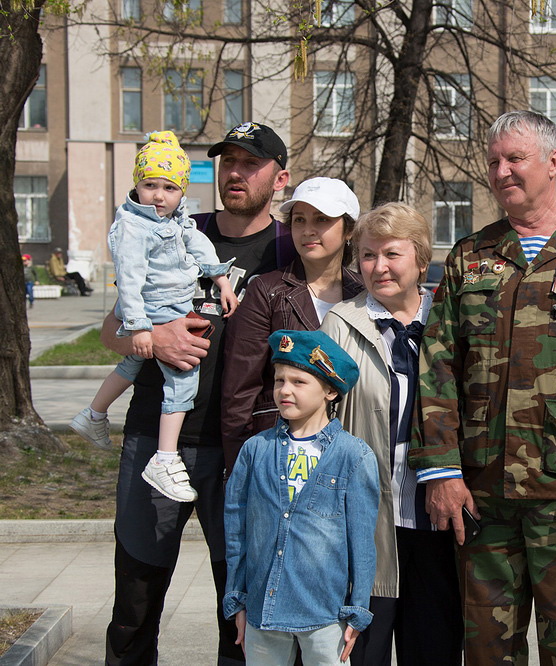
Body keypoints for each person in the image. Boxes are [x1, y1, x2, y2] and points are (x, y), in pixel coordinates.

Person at [408, 110, 556, 666]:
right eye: (493, 162)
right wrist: (441, 469)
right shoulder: (470, 255)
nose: (502, 172)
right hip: (482, 496)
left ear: (553, 162)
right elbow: (437, 366)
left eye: (516, 159)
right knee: (488, 653)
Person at [98, 121, 292, 665]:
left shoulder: (288, 247)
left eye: (250, 163)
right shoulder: (175, 227)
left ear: (280, 178)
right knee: (135, 597)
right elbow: (109, 332)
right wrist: (153, 339)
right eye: (227, 161)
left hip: (245, 449)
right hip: (158, 442)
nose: (235, 172)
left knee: (240, 607)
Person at [322, 203, 463, 666]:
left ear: (422, 259)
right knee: (365, 651)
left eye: (392, 254)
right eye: (366, 255)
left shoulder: (451, 320)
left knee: (434, 646)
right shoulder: (341, 325)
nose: (378, 267)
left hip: (435, 517)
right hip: (366, 520)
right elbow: (318, 424)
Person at [71, 131, 239, 504]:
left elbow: (199, 245)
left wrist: (223, 281)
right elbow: (128, 282)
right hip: (153, 306)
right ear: (136, 184)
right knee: (183, 375)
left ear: (182, 191)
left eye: (169, 187)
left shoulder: (175, 220)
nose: (159, 195)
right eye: (149, 185)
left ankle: (93, 414)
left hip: (165, 304)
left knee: (131, 364)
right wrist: (140, 327)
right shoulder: (134, 227)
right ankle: (165, 458)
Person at [224, 329, 378, 666]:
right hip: (263, 607)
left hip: (324, 610)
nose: (285, 390)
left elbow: (363, 540)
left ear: (330, 391)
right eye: (279, 380)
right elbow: (236, 528)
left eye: (299, 381)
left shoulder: (353, 455)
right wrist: (237, 598)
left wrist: (358, 608)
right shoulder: (255, 450)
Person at [221, 177, 365, 474]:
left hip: (348, 452)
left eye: (322, 219)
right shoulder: (267, 291)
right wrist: (240, 469)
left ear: (348, 229)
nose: (308, 230)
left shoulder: (365, 295)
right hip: (278, 456)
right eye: (299, 220)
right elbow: (239, 390)